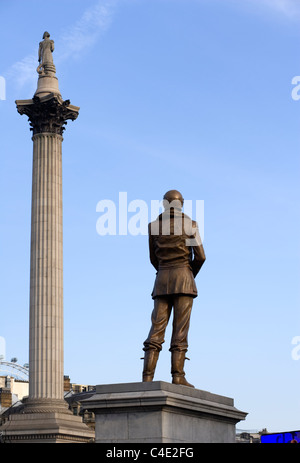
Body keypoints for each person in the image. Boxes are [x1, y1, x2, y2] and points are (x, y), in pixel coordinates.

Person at [142, 190, 206, 387]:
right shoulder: (190, 225)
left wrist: (164, 270)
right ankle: (178, 376)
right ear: (182, 205)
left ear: (164, 204)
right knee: (180, 330)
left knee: (156, 328)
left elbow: (153, 258)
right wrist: (188, 273)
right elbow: (201, 256)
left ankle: (147, 377)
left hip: (162, 279)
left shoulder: (153, 227)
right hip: (184, 279)